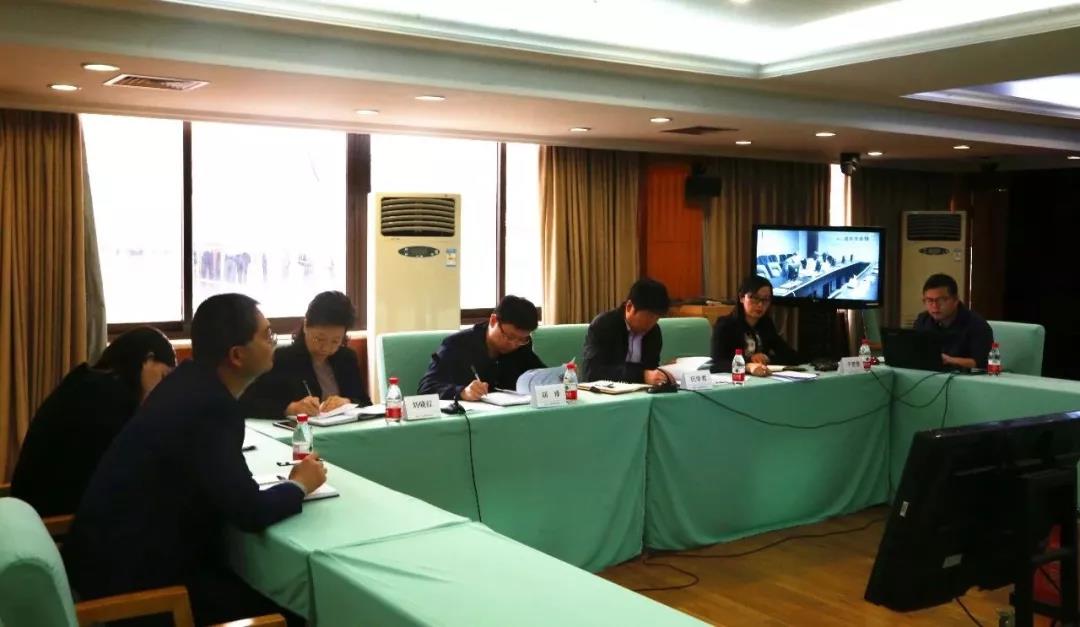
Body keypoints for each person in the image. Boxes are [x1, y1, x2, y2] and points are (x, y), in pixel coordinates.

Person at [63, 294, 326, 626]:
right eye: (267, 334)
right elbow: (249, 511)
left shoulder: (185, 384)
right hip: (139, 590)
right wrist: (299, 484)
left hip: (103, 567)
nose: (274, 342)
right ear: (237, 355)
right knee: (299, 614)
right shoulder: (212, 407)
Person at [10, 327, 176, 517]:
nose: (162, 390)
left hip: (29, 510)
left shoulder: (87, 381)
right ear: (147, 359)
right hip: (54, 518)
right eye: (163, 377)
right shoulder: (110, 398)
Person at [241, 291, 370, 418]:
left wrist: (347, 402)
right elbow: (246, 402)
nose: (326, 348)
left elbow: (365, 402)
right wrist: (290, 408)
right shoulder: (282, 359)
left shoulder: (347, 359)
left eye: (335, 341)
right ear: (305, 325)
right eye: (319, 339)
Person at [418, 295, 545, 400]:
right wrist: (462, 392)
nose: (514, 344)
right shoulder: (457, 344)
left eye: (522, 339)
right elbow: (426, 387)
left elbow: (541, 376)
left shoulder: (522, 345)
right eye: (509, 337)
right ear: (493, 321)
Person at [581, 278, 671, 385]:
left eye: (657, 318)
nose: (652, 323)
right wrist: (641, 375)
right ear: (629, 307)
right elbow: (592, 373)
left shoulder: (654, 332)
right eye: (649, 316)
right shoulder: (603, 325)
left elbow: (651, 368)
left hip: (642, 392)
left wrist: (662, 374)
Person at [711, 274, 800, 375]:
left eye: (765, 299)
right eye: (754, 298)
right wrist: (747, 365)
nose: (760, 304)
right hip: (735, 379)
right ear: (741, 297)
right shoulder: (725, 325)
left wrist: (767, 358)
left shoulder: (766, 324)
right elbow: (718, 363)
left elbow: (791, 356)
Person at [913, 273, 994, 370]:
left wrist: (950, 360)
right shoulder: (923, 320)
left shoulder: (977, 325)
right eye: (929, 300)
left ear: (955, 300)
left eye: (941, 300)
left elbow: (984, 364)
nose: (934, 306)